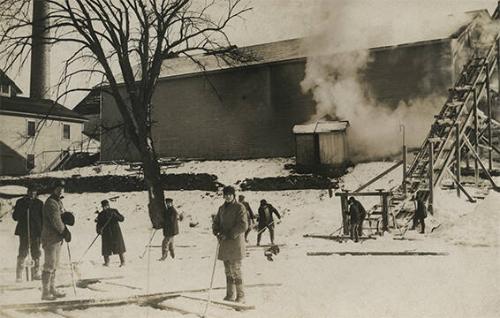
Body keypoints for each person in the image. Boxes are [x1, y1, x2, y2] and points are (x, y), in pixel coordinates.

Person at [212, 186, 248, 303]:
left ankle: (241, 296)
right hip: (224, 244)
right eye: (225, 194)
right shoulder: (221, 208)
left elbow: (243, 225)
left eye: (229, 194)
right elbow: (216, 222)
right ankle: (230, 295)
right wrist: (216, 230)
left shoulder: (240, 207)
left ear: (233, 195)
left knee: (236, 270)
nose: (227, 196)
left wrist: (228, 234)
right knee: (227, 270)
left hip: (235, 244)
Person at [41, 180, 71, 301]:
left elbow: (62, 216)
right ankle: (45, 291)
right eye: (58, 188)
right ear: (53, 189)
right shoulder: (51, 203)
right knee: (49, 264)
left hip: (57, 238)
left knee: (55, 265)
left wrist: (68, 217)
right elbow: (56, 220)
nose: (60, 191)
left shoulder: (58, 202)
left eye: (62, 189)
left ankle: (52, 288)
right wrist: (64, 231)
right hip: (50, 238)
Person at [12, 186, 43, 282]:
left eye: (34, 192)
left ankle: (36, 272)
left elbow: (43, 219)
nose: (32, 194)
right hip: (24, 231)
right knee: (23, 252)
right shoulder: (21, 202)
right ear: (27, 192)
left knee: (36, 252)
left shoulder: (39, 203)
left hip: (36, 232)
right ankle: (19, 275)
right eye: (31, 192)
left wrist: (42, 231)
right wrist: (23, 209)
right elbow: (15, 217)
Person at [96, 200, 126, 267]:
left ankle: (123, 261)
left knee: (119, 248)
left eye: (106, 206)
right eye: (104, 206)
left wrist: (115, 215)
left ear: (108, 205)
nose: (105, 207)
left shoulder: (114, 211)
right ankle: (106, 262)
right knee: (106, 249)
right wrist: (99, 230)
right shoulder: (101, 214)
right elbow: (98, 224)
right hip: (106, 234)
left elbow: (122, 219)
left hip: (115, 232)